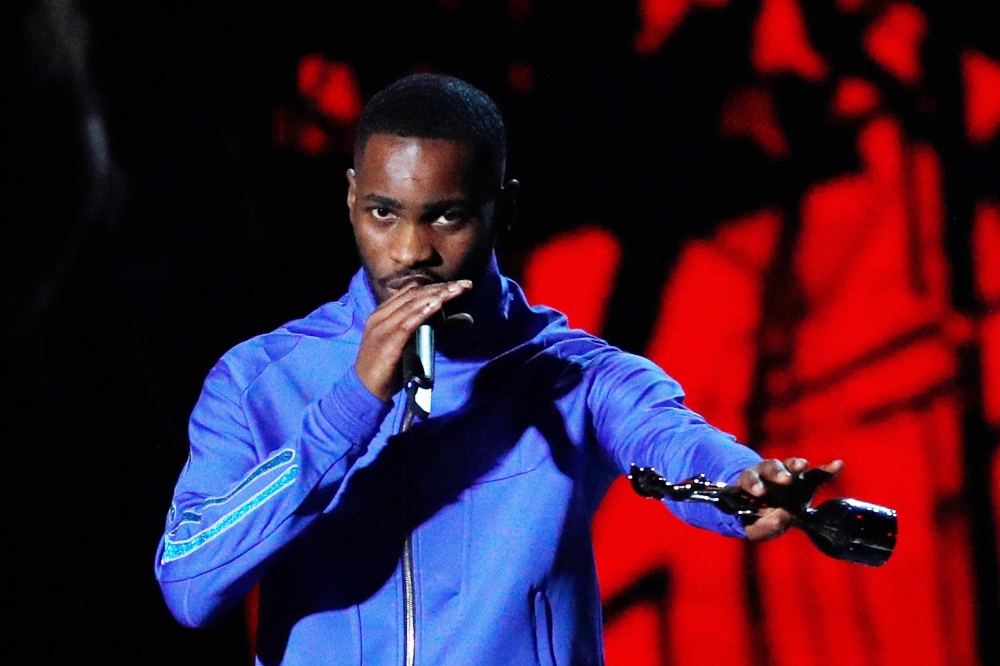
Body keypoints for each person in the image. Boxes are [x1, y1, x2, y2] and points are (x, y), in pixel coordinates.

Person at [156, 73, 842, 665]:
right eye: (383, 213)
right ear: (350, 200)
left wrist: (741, 486)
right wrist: (349, 408)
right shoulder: (260, 378)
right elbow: (189, 582)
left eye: (445, 217)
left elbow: (671, 439)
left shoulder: (574, 375)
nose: (409, 249)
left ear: (501, 209)